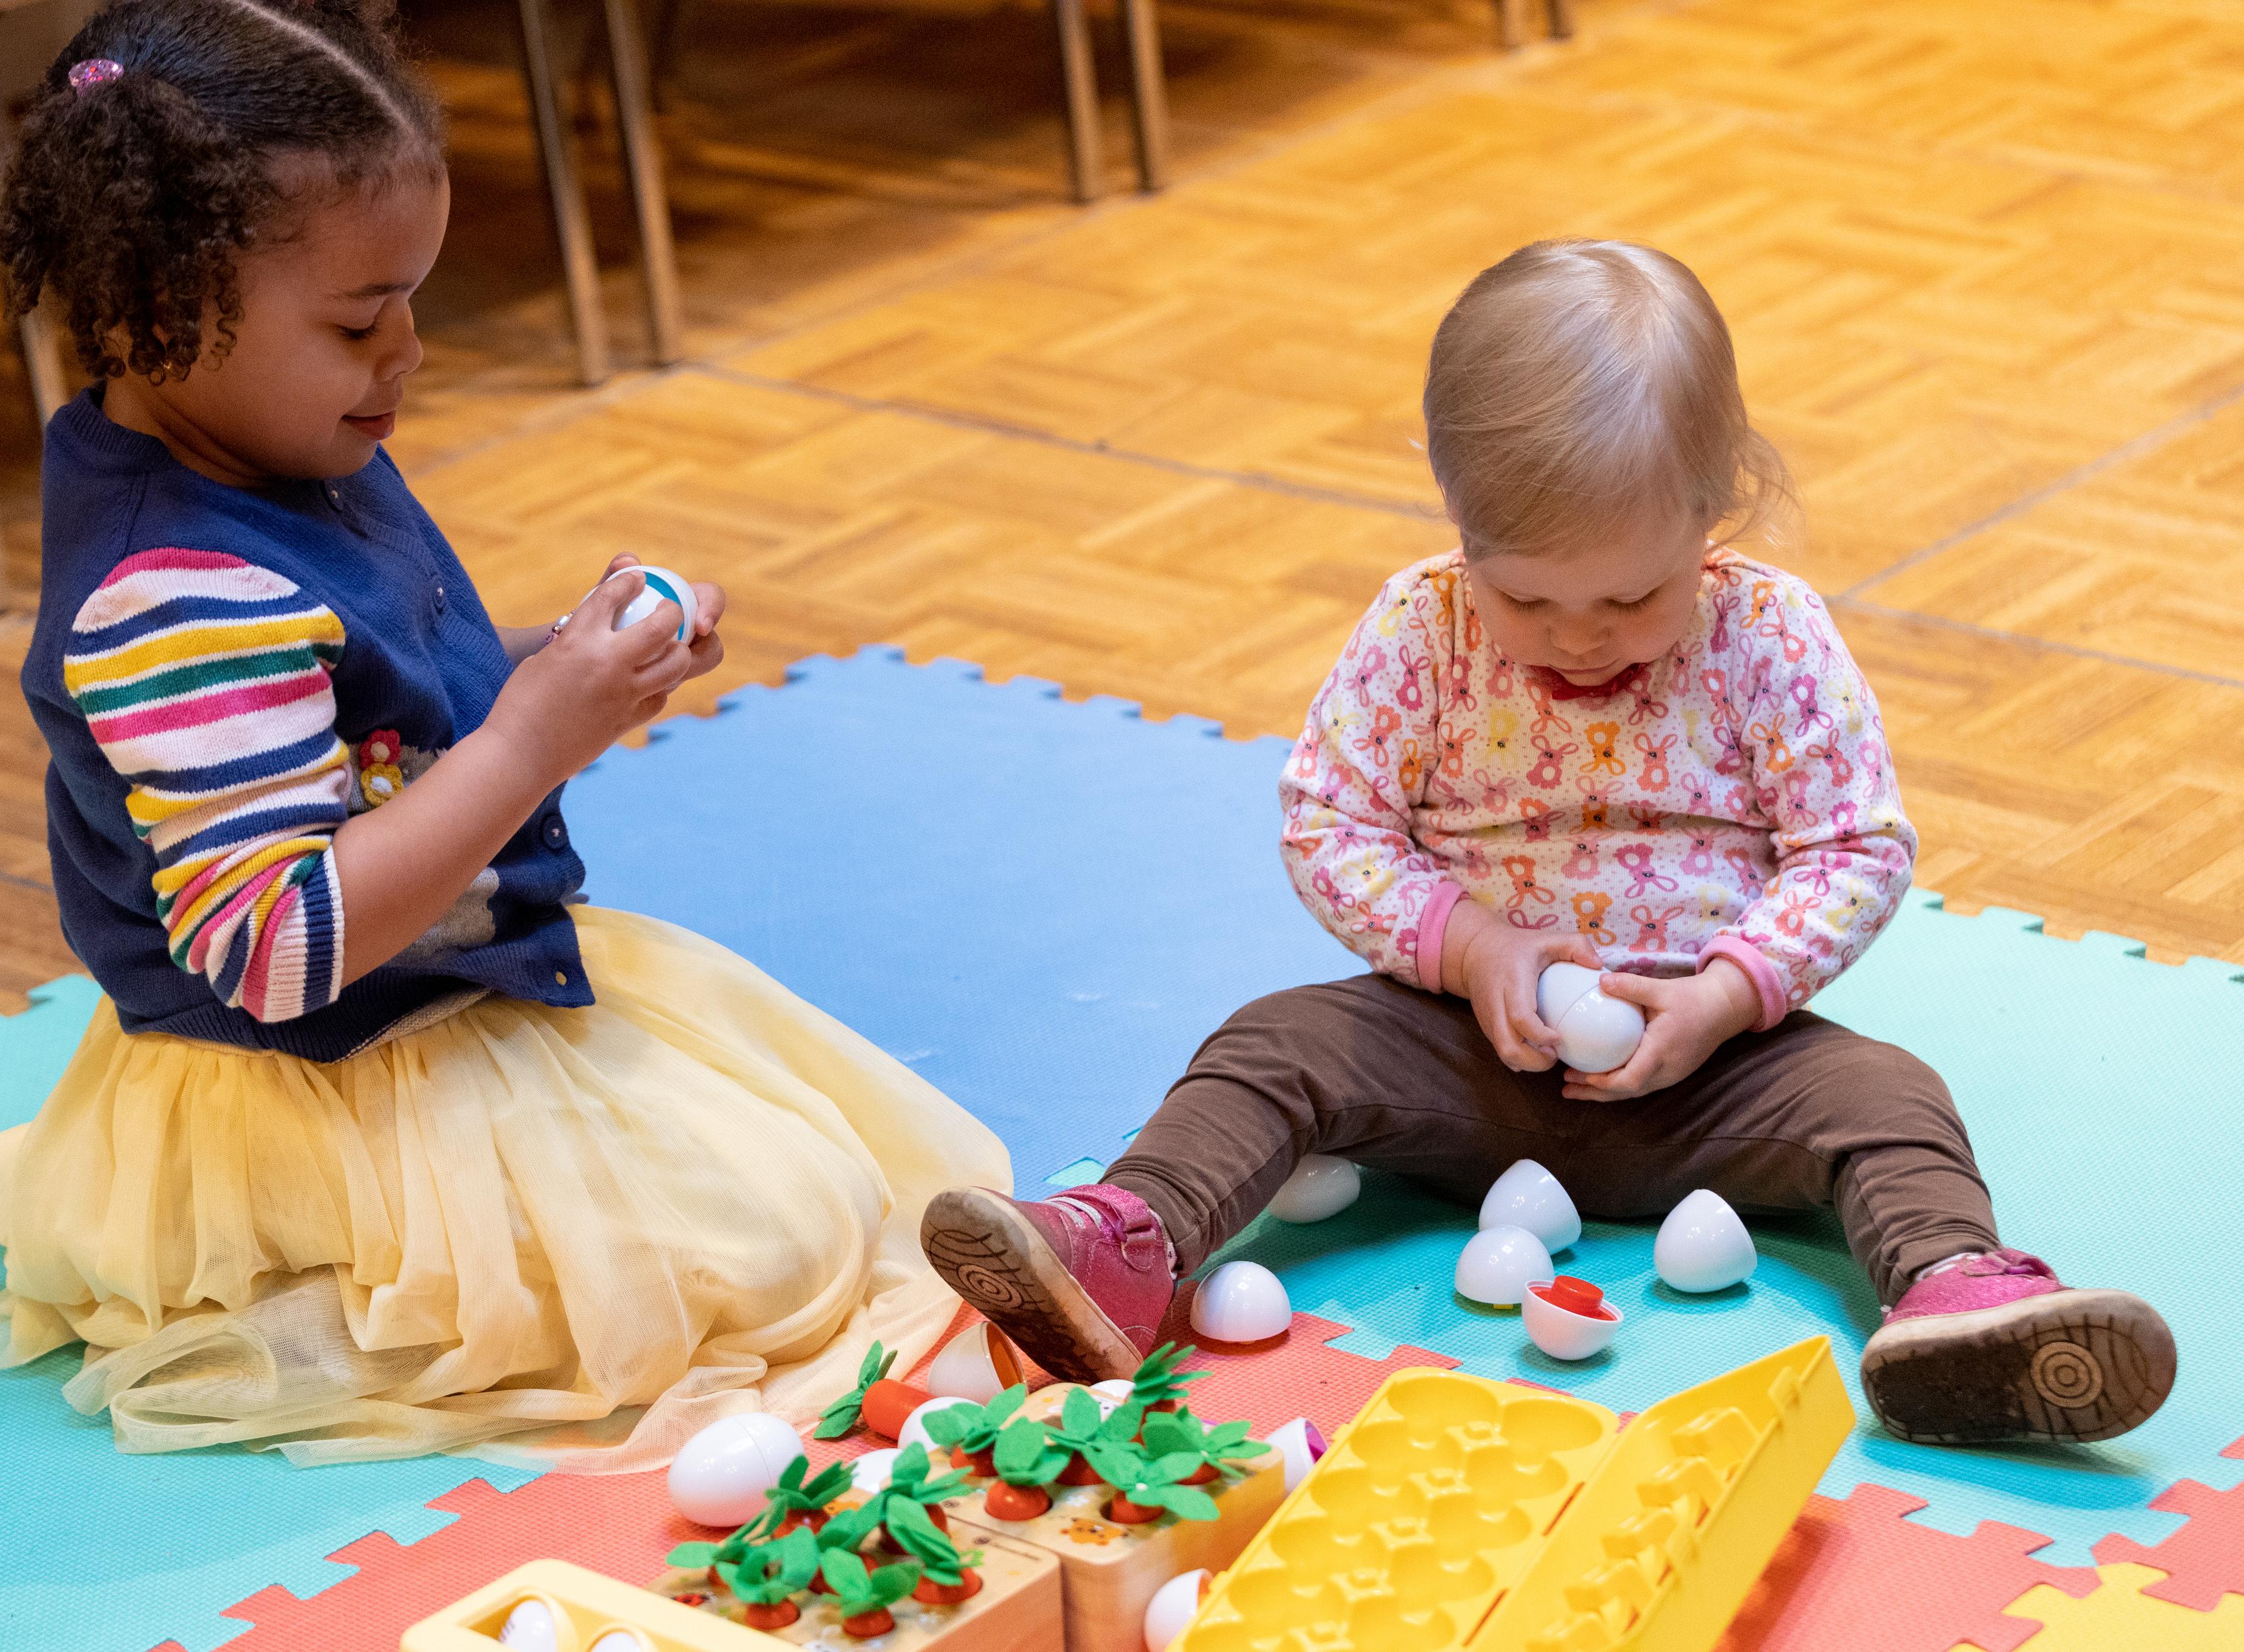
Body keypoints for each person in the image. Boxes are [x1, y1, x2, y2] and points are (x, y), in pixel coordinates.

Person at [0, 0, 1007, 1469]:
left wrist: (573, 669)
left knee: (820, 1167)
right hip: (321, 1071)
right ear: (155, 303)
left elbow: (362, 714)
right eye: (357, 319)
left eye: (409, 300)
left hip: (442, 984)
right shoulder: (173, 595)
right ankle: (311, 1289)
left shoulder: (269, 438)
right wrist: (531, 736)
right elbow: (273, 951)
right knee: (759, 1249)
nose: (410, 350)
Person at [920, 239, 2176, 1447]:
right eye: (1527, 596)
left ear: (1712, 506)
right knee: (1269, 1044)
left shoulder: (1770, 636)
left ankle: (1962, 1306)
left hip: (1717, 1070)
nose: (1580, 638)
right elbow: (1330, 817)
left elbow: (1855, 847)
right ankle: (1126, 1245)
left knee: (1891, 1096)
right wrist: (1470, 947)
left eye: (1632, 597)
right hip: (1462, 1052)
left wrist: (1731, 992)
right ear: (1455, 516)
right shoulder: (1425, 628)